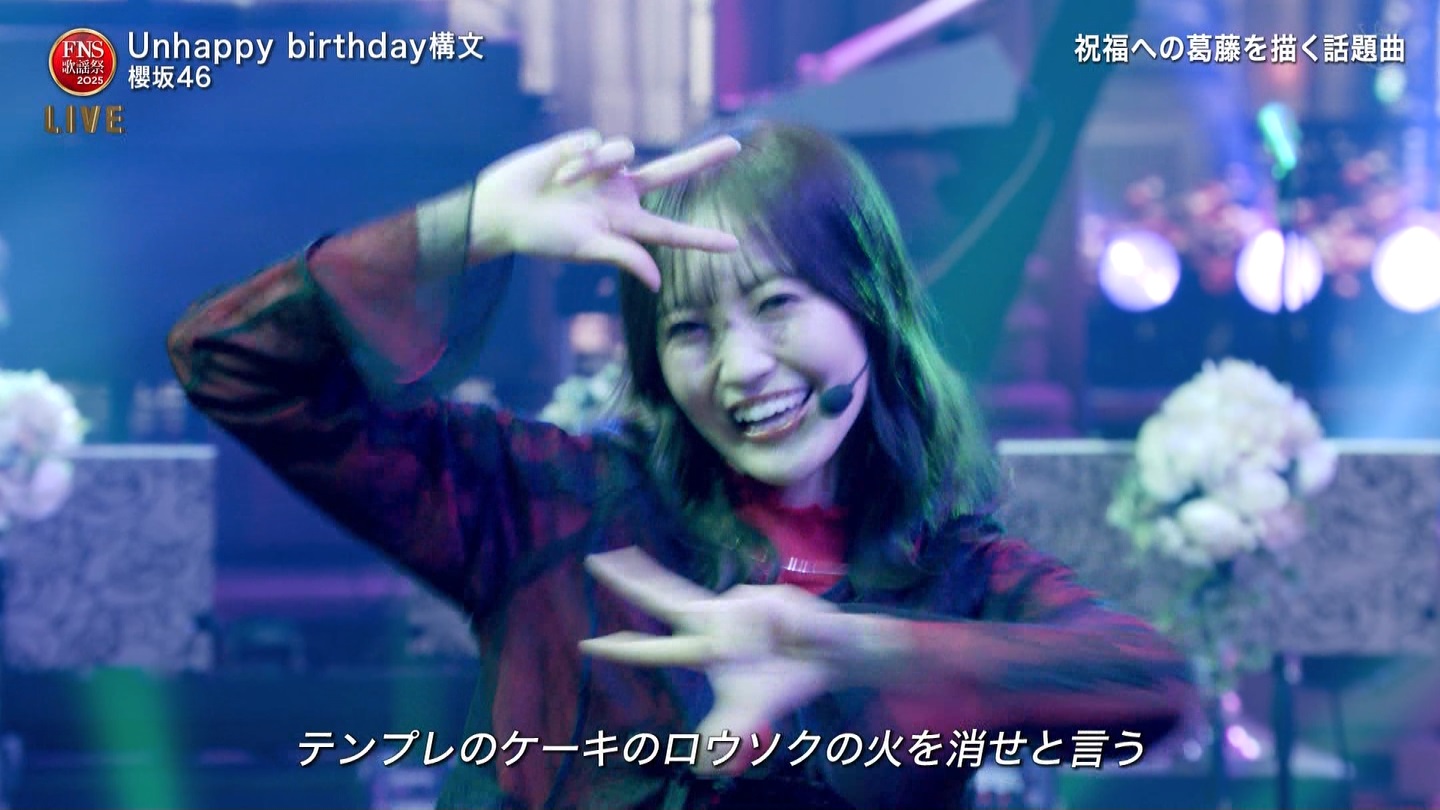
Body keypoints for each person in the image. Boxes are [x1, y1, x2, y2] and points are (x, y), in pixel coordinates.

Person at [168, 121, 1195, 809]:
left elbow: (1151, 693)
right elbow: (231, 361)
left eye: (778, 303)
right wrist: (469, 225)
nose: (741, 369)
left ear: (871, 312)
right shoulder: (549, 507)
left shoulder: (956, 572)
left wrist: (852, 648)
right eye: (690, 327)